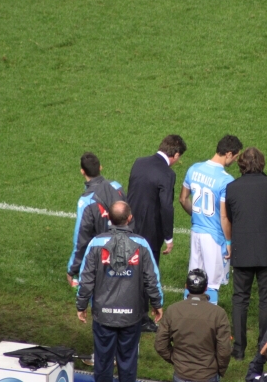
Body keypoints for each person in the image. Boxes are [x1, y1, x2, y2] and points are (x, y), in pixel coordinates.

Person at [76, 201, 163, 382]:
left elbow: (86, 278)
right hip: (131, 315)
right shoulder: (142, 244)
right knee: (128, 362)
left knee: (102, 362)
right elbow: (151, 278)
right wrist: (157, 303)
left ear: (109, 218)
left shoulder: (96, 243)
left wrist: (81, 305)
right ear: (129, 218)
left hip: (104, 315)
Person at [226, 147, 267, 360]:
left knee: (240, 299)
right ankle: (263, 347)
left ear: (241, 164)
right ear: (262, 164)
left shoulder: (232, 188)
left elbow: (230, 216)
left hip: (243, 250)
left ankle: (238, 349)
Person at [127, 134, 186, 331]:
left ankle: (127, 308)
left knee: (129, 268)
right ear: (175, 155)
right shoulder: (168, 174)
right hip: (151, 232)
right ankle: (142, 318)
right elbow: (166, 207)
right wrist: (169, 237)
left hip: (129, 225)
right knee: (148, 272)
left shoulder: (139, 162)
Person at [179, 135, 242, 303]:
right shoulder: (226, 180)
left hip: (196, 232)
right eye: (236, 156)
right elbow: (224, 216)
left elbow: (183, 199)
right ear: (229, 154)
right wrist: (229, 242)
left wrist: (197, 216)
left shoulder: (194, 169)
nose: (235, 161)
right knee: (212, 284)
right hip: (214, 237)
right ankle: (210, 317)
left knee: (193, 280)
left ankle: (188, 313)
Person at [154, 269, 232, 382]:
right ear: (206, 288)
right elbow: (224, 350)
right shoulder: (218, 313)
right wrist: (219, 370)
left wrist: (176, 360)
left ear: (186, 286)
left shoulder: (173, 310)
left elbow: (160, 345)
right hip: (207, 375)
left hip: (181, 374)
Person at [67, 152, 127, 287]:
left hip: (102, 256)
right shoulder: (117, 186)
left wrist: (73, 269)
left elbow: (81, 238)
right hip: (124, 249)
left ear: (82, 171)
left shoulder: (86, 201)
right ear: (100, 167)